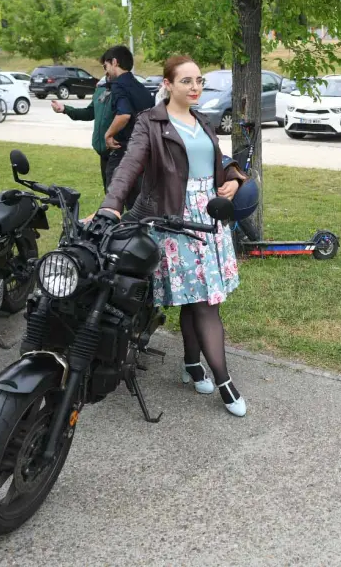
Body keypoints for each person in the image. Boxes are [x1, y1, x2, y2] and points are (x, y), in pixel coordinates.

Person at [100, 54, 248, 417]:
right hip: (176, 219)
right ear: (167, 84)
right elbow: (129, 168)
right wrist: (110, 207)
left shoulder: (203, 119)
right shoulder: (149, 123)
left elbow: (214, 157)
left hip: (209, 217)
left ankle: (192, 364)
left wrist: (230, 177)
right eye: (186, 81)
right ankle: (224, 381)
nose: (195, 87)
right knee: (204, 302)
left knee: (198, 297)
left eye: (199, 81)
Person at [101, 45, 155, 210]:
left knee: (113, 203)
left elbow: (124, 115)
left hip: (123, 151)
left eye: (106, 67)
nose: (106, 72)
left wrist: (108, 135)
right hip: (142, 154)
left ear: (115, 62)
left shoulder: (119, 85)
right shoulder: (141, 88)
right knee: (135, 205)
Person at [51, 75, 114, 191]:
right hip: (103, 151)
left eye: (107, 65)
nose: (105, 70)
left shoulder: (123, 90)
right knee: (109, 192)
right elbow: (89, 113)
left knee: (120, 194)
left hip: (117, 151)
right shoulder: (101, 89)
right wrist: (65, 109)